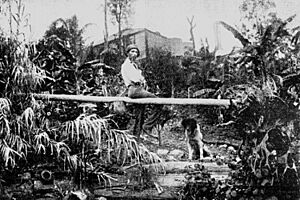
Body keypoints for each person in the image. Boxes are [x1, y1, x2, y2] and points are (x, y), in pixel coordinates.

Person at [121, 44, 163, 138]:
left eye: (136, 52)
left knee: (139, 114)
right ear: (127, 53)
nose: (134, 54)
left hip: (138, 89)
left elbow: (141, 78)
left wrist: (143, 80)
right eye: (132, 51)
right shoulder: (126, 65)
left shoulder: (134, 65)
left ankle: (136, 137)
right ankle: (147, 127)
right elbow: (135, 78)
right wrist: (141, 80)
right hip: (134, 89)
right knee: (159, 102)